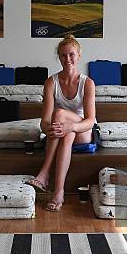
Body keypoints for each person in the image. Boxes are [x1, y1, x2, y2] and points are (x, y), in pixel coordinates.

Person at [26, 35, 96, 212]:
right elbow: (44, 121)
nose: (68, 59)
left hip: (83, 131)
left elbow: (89, 121)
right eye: (63, 55)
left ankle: (44, 173)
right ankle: (58, 192)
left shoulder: (87, 83)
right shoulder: (51, 82)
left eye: (71, 55)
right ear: (59, 57)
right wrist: (47, 128)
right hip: (62, 132)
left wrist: (70, 126)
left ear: (79, 55)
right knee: (65, 134)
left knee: (60, 115)